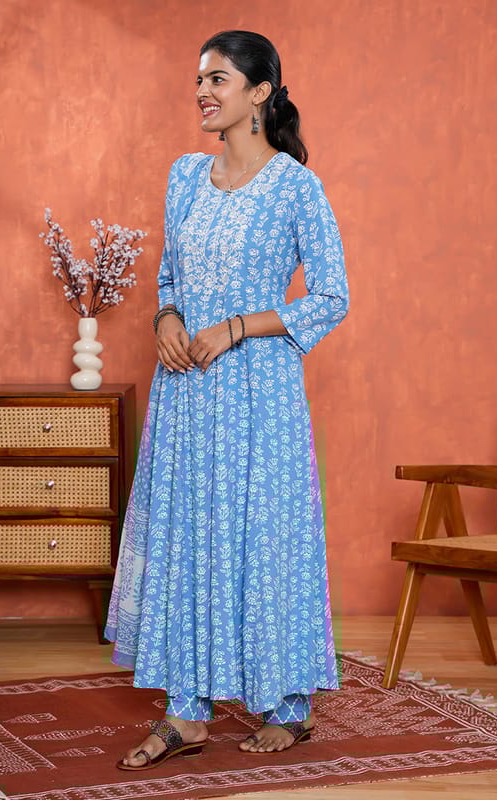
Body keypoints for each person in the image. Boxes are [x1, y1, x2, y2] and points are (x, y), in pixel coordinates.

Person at [105, 29, 349, 770]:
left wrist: (239, 327)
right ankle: (186, 713)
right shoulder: (185, 176)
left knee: (264, 536)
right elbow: (169, 277)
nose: (203, 92)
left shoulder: (295, 187)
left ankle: (289, 706)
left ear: (259, 92)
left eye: (218, 79)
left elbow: (331, 297)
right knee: (187, 535)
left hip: (260, 391)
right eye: (199, 80)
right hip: (187, 390)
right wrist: (166, 320)